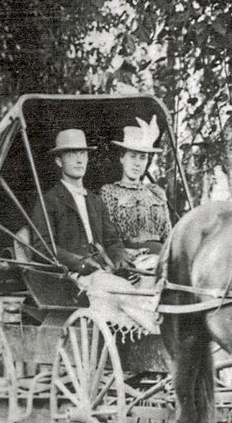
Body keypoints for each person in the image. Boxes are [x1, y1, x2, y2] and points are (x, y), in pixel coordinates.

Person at [30, 128, 158, 336]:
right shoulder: (49, 201)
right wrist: (80, 263)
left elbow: (112, 240)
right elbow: (42, 248)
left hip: (102, 269)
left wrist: (121, 260)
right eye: (72, 154)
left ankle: (150, 327)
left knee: (150, 276)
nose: (80, 160)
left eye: (83, 154)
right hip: (71, 278)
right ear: (59, 161)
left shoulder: (94, 200)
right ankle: (154, 329)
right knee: (116, 287)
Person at [99, 115, 172, 278]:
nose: (137, 163)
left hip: (162, 256)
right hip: (127, 259)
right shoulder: (109, 192)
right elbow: (108, 237)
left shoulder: (157, 192)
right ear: (121, 158)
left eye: (142, 157)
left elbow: (169, 234)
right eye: (132, 156)